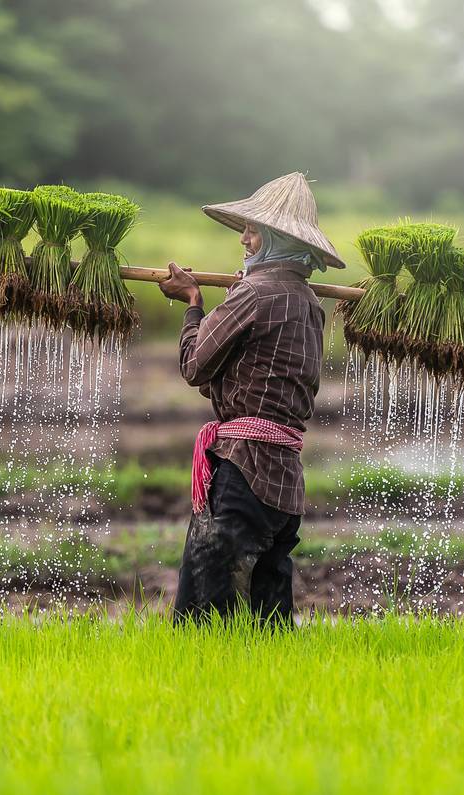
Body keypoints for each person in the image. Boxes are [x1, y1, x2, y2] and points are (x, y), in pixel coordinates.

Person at [157, 172, 345, 625]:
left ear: (276, 238)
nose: (243, 237)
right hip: (284, 483)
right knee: (267, 617)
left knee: (205, 610)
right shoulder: (307, 302)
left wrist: (193, 302)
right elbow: (252, 376)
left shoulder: (254, 294)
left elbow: (195, 367)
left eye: (253, 230)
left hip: (244, 470)